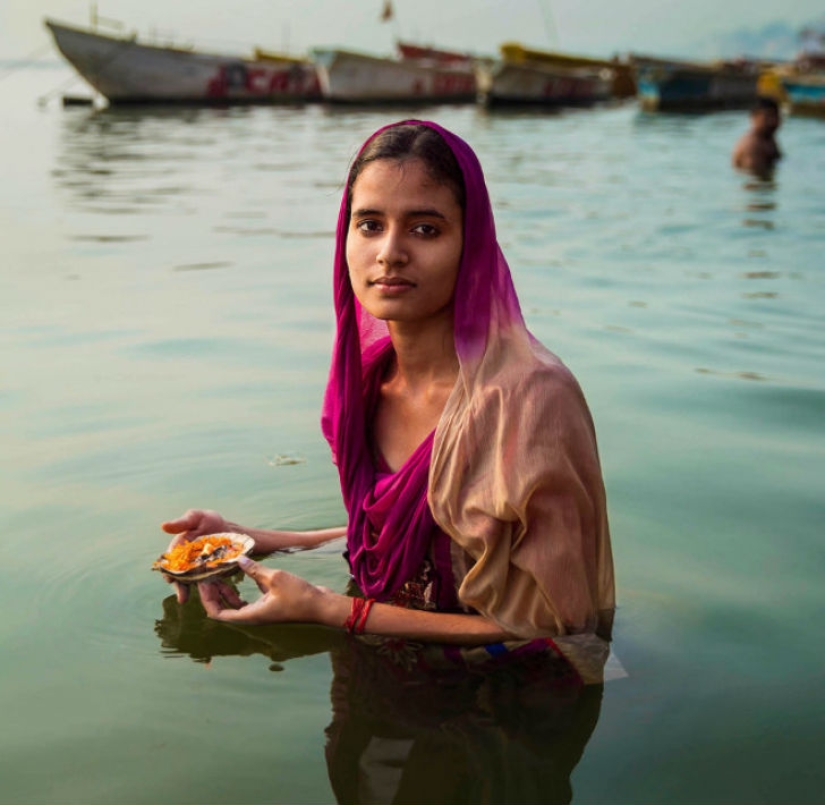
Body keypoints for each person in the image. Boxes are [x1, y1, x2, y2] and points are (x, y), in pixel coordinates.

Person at [160, 120, 615, 682]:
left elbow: (558, 622)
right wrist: (251, 542)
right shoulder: (367, 384)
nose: (390, 253)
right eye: (369, 224)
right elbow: (413, 546)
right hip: (390, 672)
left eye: (425, 229)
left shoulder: (528, 399)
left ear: (470, 245)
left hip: (509, 696)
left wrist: (334, 611)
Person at [732, 96, 782, 174]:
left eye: (776, 116)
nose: (773, 121)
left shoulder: (767, 137)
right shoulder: (753, 146)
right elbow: (755, 181)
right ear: (754, 117)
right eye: (767, 117)